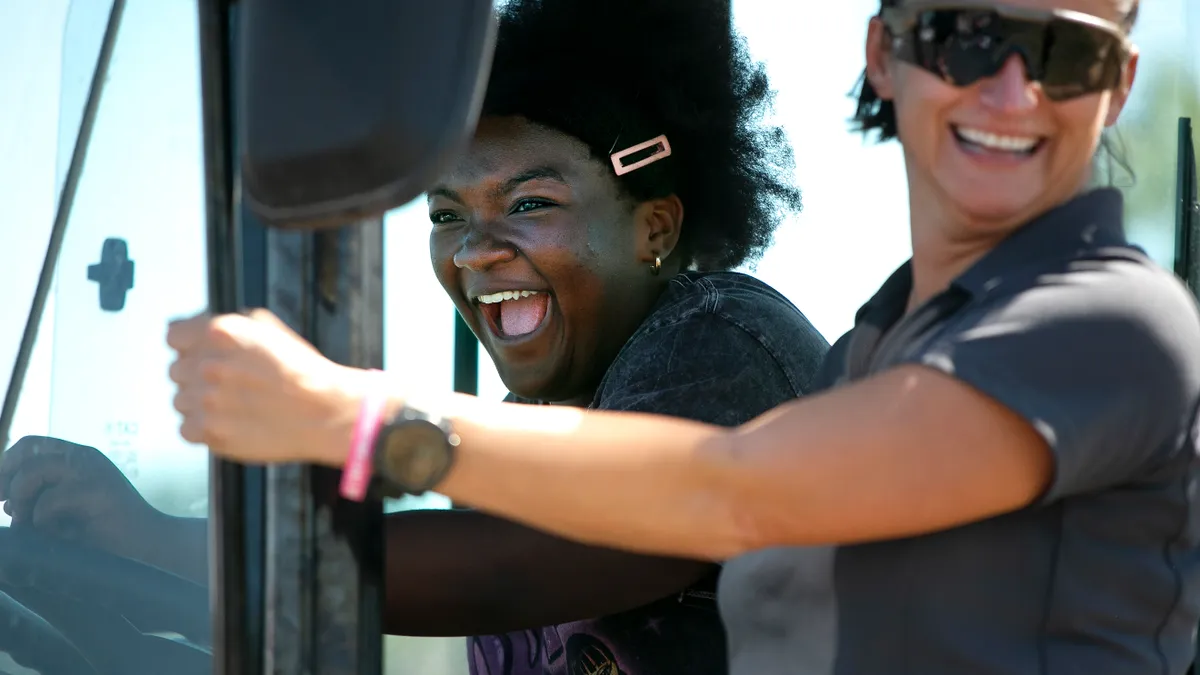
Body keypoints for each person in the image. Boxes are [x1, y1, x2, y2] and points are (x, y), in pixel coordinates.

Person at [159, 0, 1200, 673]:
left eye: (1068, 53)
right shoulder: (870, 359)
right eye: (967, 37)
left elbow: (728, 490)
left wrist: (355, 420)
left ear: (1116, 87)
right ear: (886, 52)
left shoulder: (1109, 323)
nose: (1013, 88)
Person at [0, 0, 828, 673]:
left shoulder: (717, 343)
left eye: (531, 204)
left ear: (654, 226)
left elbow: (516, 567)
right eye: (445, 214)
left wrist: (167, 542)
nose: (475, 249)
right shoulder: (531, 423)